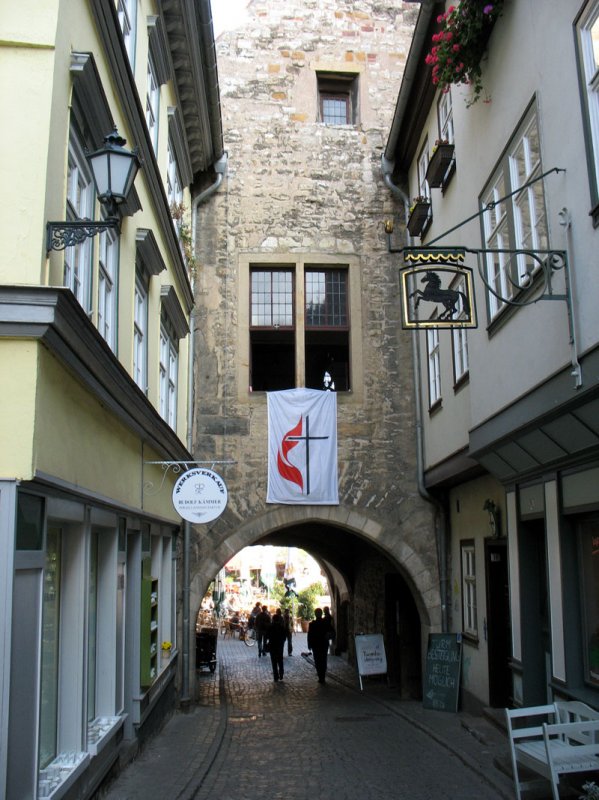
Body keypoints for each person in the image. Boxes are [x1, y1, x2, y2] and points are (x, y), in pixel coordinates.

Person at [307, 608, 332, 683]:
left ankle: (320, 676)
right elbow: (332, 632)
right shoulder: (326, 623)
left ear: (315, 614)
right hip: (324, 644)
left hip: (316, 645)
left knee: (317, 660)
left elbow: (310, 635)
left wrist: (309, 645)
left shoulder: (312, 624)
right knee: (323, 660)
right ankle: (322, 676)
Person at [267, 608, 287, 681]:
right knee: (280, 660)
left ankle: (276, 676)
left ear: (273, 619)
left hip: (272, 646)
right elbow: (285, 637)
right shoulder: (282, 627)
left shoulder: (270, 627)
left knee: (274, 662)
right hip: (280, 646)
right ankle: (281, 673)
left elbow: (267, 636)